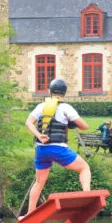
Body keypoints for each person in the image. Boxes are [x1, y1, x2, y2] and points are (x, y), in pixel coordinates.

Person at [24, 78, 91, 215]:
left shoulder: (41, 106)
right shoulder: (66, 108)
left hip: (41, 149)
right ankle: (87, 196)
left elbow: (28, 123)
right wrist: (72, 123)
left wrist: (39, 135)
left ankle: (30, 213)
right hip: (58, 149)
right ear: (64, 93)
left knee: (39, 183)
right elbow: (84, 126)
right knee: (84, 168)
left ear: (50, 91)